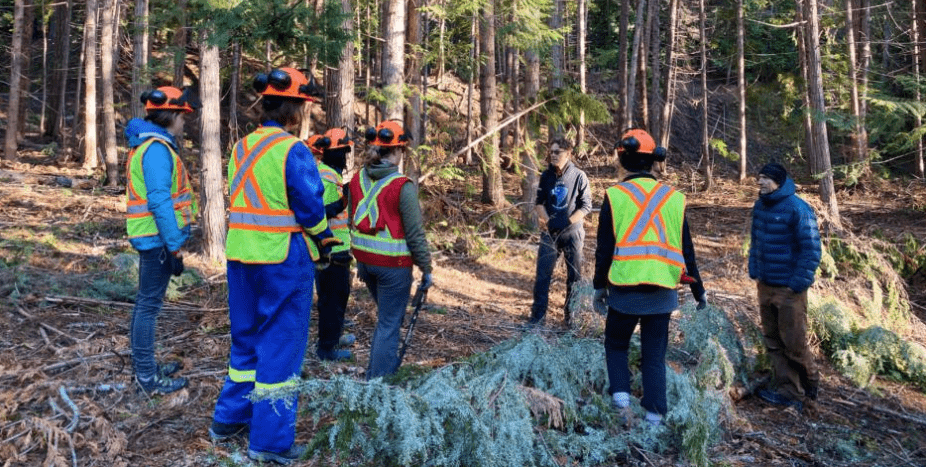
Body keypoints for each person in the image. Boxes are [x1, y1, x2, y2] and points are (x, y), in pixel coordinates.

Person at [210, 67, 339, 465]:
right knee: (281, 349)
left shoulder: (240, 147)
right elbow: (310, 204)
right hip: (282, 257)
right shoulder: (292, 150)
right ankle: (270, 442)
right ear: (296, 110)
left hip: (241, 255)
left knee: (246, 340)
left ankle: (228, 421)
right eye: (305, 108)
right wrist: (324, 239)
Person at [592, 129, 707, 427]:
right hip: (662, 291)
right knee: (654, 357)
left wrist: (598, 288)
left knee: (616, 345)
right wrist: (699, 291)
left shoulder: (615, 196)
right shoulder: (673, 198)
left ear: (623, 157)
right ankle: (654, 420)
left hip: (625, 289)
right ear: (653, 161)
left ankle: (621, 404)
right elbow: (687, 248)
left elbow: (604, 249)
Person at [124, 85, 197, 395]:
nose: (184, 123)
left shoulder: (154, 146)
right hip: (157, 240)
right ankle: (146, 376)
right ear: (171, 116)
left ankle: (147, 368)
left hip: (156, 238)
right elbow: (159, 202)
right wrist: (175, 247)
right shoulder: (155, 150)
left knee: (147, 305)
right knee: (148, 307)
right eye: (182, 117)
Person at [346, 120, 433, 379]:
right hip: (393, 267)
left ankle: (375, 371)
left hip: (365, 263)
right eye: (402, 151)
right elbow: (415, 234)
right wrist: (427, 268)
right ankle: (379, 382)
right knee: (388, 324)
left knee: (385, 320)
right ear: (396, 151)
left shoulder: (357, 179)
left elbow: (353, 218)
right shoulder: (402, 187)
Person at [750, 162, 822, 413]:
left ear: (778, 182)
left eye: (765, 179)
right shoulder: (760, 206)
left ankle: (811, 386)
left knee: (794, 343)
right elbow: (755, 241)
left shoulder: (798, 209)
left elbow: (811, 250)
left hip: (790, 290)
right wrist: (755, 271)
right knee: (773, 340)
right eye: (759, 178)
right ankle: (788, 390)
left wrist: (796, 285)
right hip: (765, 285)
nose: (760, 183)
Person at [527, 137, 592, 327]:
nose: (553, 155)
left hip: (573, 234)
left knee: (574, 278)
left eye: (558, 152)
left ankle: (571, 319)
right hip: (550, 234)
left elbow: (586, 206)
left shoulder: (579, 176)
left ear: (568, 153)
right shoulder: (546, 176)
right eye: (551, 152)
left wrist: (567, 221)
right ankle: (537, 319)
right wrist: (549, 221)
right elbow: (538, 203)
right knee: (542, 276)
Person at [306, 129, 356, 361]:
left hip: (339, 249)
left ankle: (333, 337)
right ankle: (326, 348)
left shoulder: (331, 175)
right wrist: (343, 199)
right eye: (343, 152)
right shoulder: (326, 176)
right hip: (330, 251)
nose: (346, 157)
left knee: (340, 296)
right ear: (334, 154)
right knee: (331, 300)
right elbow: (321, 214)